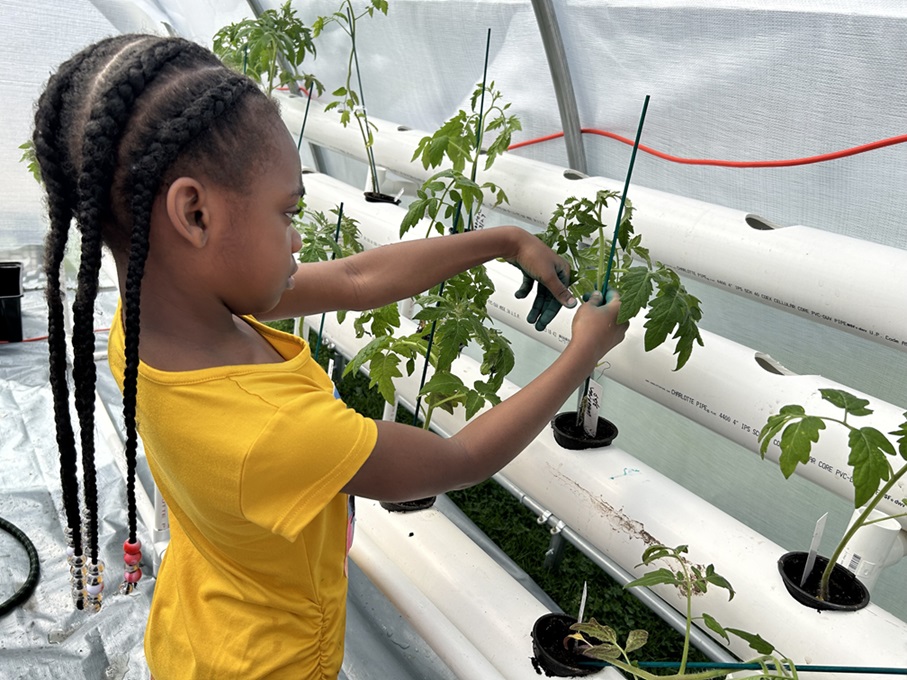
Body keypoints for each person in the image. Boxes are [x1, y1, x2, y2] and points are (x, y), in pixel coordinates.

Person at [32, 34, 627, 680]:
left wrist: (505, 240)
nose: (296, 238)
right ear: (194, 213)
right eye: (286, 211)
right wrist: (581, 350)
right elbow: (461, 459)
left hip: (196, 631)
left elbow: (353, 281)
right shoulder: (274, 432)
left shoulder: (149, 325)